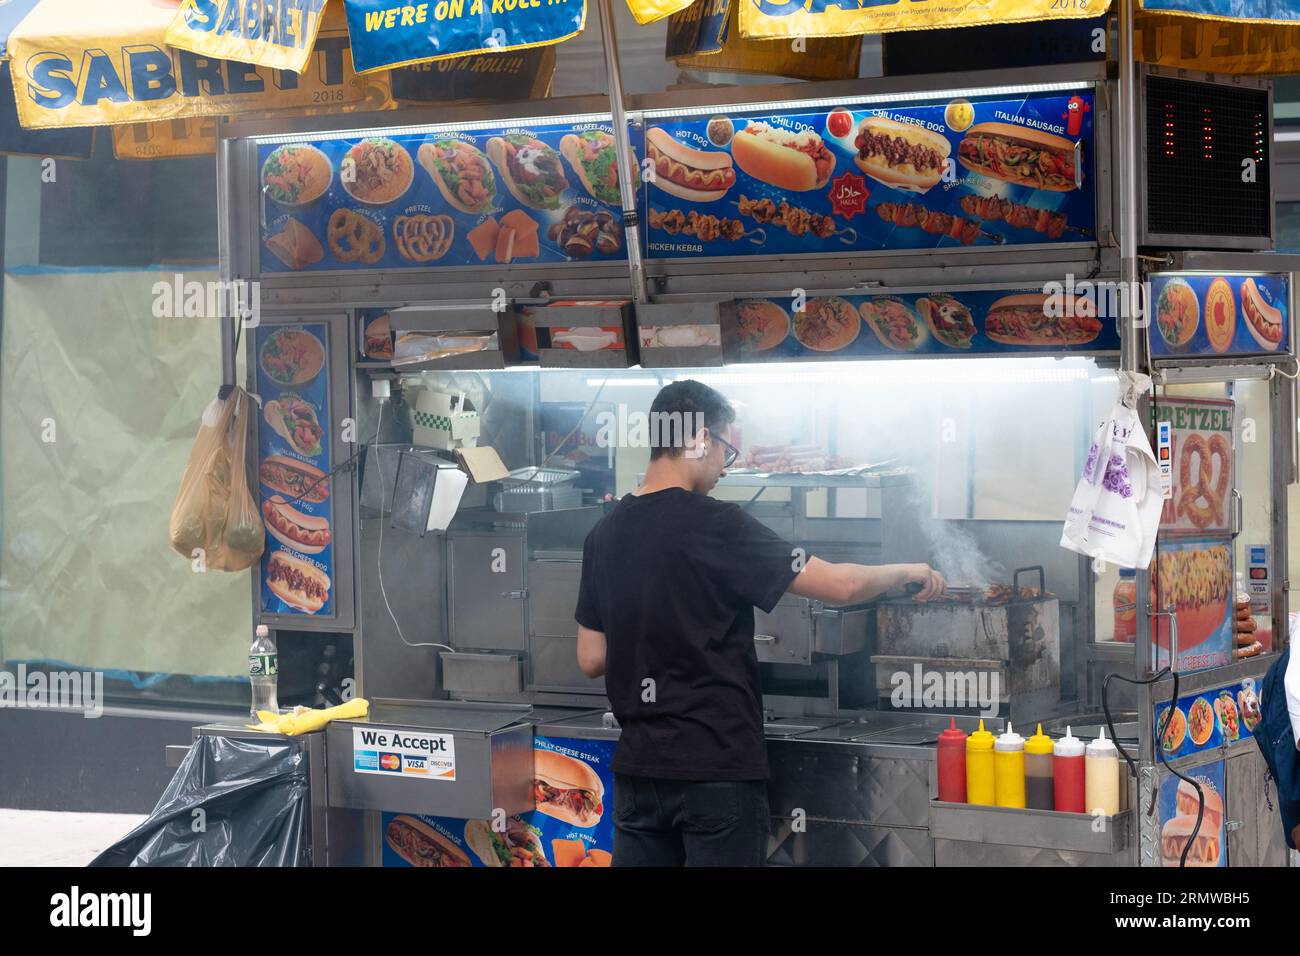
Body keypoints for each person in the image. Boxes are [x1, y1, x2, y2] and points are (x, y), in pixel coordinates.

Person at [573, 380, 945, 866]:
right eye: (727, 450)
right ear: (700, 439)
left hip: (639, 776)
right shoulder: (716, 524)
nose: (726, 468)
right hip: (715, 770)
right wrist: (908, 570)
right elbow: (839, 586)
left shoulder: (603, 533)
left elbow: (591, 658)